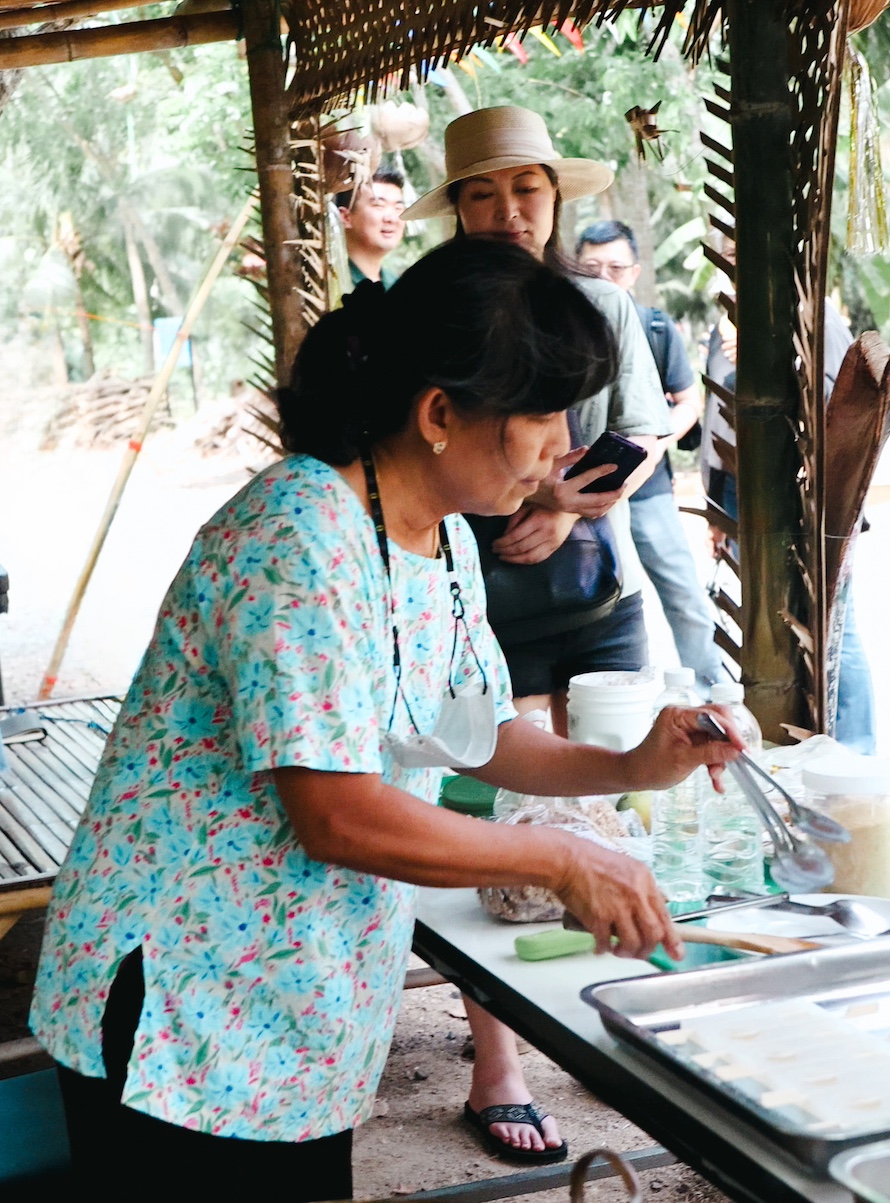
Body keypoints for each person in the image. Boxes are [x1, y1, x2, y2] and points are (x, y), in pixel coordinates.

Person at [27, 238, 742, 1203]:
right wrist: (561, 859)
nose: (566, 442)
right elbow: (337, 813)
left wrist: (628, 762)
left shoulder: (439, 534)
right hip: (184, 1003)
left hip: (293, 1004)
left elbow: (476, 731)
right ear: (441, 414)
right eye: (540, 412)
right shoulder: (298, 532)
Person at [402, 105, 673, 1164]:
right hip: (474, 615)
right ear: (458, 210)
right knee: (492, 821)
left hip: (594, 600)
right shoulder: (425, 326)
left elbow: (643, 435)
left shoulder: (601, 307)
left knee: (609, 805)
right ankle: (499, 1060)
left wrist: (562, 501)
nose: (509, 210)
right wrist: (496, 501)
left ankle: (619, 1019)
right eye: (482, 191)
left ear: (558, 200)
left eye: (527, 189)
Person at [702, 289, 878, 754]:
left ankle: (856, 749)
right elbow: (715, 419)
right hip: (744, 499)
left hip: (808, 498)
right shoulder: (726, 317)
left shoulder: (812, 314)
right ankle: (793, 750)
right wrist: (717, 507)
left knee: (836, 626)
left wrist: (777, 356)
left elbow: (846, 406)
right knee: (773, 624)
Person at [576, 219, 726, 694]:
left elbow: (687, 401)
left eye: (616, 267)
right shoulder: (559, 324)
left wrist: (653, 438)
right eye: (591, 267)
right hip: (575, 493)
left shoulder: (656, 327)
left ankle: (707, 690)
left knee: (682, 590)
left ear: (635, 271)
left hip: (647, 486)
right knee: (600, 597)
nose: (605, 277)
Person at [337, 163, 407, 288]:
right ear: (345, 217)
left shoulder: (399, 288)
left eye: (398, 207)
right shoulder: (332, 282)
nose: (391, 218)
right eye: (379, 205)